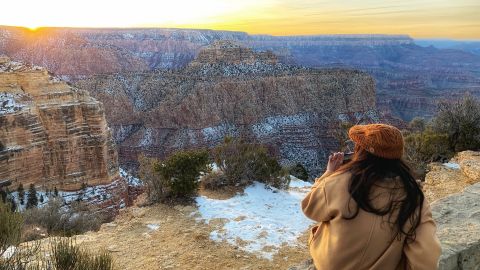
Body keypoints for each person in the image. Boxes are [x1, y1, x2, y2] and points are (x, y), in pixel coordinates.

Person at [302, 124, 441, 270]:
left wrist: (329, 173)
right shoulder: (413, 196)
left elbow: (310, 208)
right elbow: (427, 259)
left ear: (361, 153)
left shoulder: (338, 181)